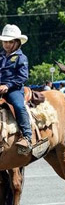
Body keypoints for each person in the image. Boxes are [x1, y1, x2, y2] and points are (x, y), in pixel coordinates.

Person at [0, 24, 32, 155]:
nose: (7, 44)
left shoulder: (21, 58)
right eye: (5, 42)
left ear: (17, 43)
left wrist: (8, 86)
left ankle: (27, 136)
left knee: (19, 106)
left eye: (10, 42)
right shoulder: (0, 56)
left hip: (14, 89)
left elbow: (23, 76)